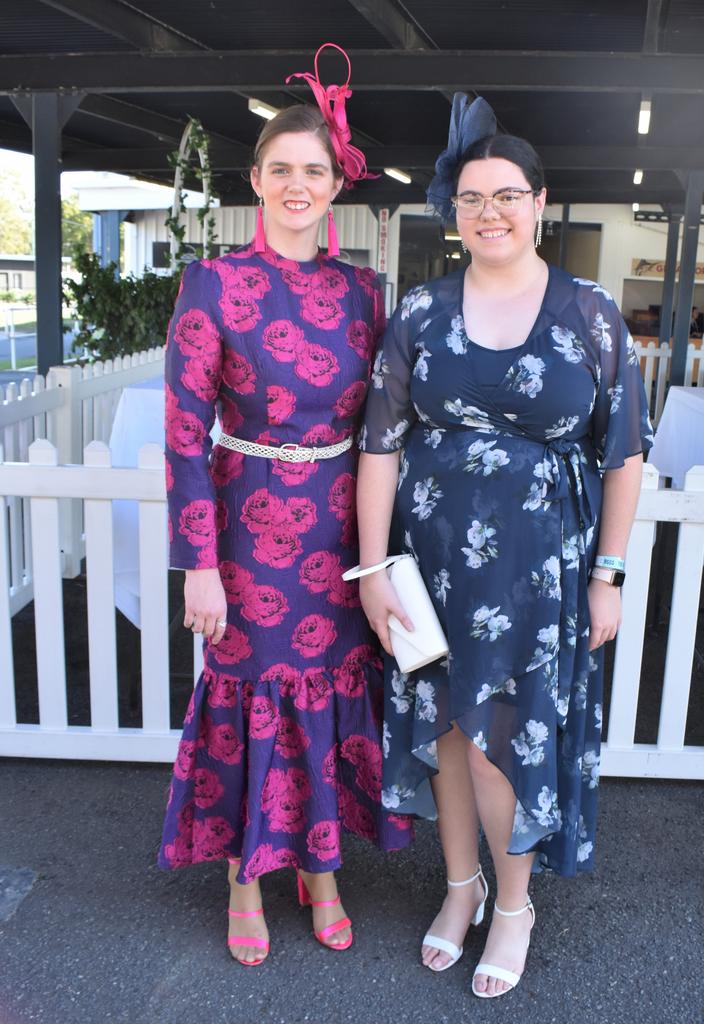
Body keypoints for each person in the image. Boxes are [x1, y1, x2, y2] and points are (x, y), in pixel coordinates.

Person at [355, 94, 653, 999]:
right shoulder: (418, 312)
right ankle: (460, 889)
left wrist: (608, 573)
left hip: (539, 571)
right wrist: (371, 571)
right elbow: (378, 446)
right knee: (446, 734)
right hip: (428, 560)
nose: (490, 211)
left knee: (500, 743)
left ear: (539, 201)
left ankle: (513, 907)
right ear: (454, 210)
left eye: (507, 195)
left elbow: (626, 451)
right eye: (473, 197)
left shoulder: (592, 314)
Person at [158, 44, 411, 966]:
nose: (297, 186)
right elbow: (185, 433)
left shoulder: (364, 292)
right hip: (248, 528)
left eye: (315, 170)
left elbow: (389, 426)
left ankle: (322, 869)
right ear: (257, 181)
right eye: (281, 171)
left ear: (335, 183)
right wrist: (199, 563)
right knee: (255, 698)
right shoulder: (213, 285)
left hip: (343, 530)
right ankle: (245, 879)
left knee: (336, 699)